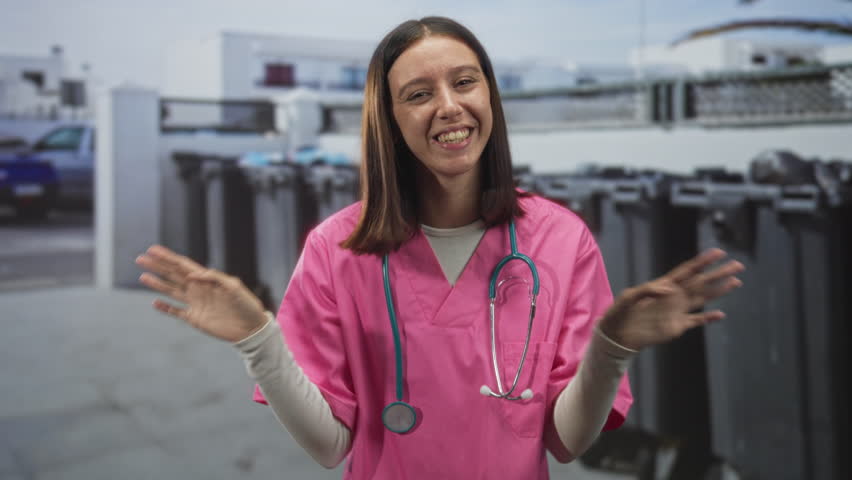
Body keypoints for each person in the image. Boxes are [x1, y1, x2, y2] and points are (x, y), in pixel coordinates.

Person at [135, 16, 744, 479]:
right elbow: (330, 446)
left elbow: (566, 442)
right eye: (419, 93)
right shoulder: (336, 250)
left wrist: (612, 348)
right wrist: (258, 341)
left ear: (489, 98)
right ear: (390, 120)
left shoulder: (560, 239)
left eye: (464, 82)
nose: (450, 106)